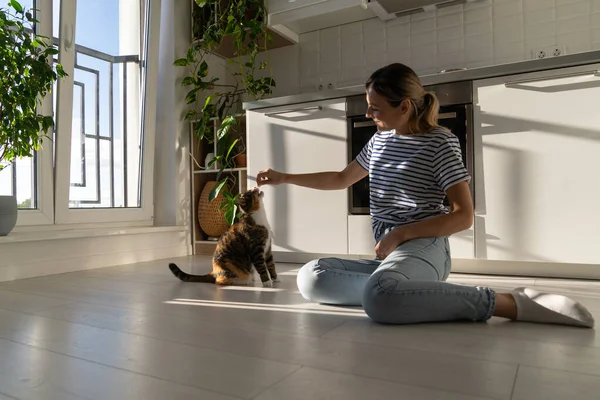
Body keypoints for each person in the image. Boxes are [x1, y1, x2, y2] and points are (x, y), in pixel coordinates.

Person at [256, 63, 594, 329]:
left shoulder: (439, 142)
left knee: (380, 298)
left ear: (403, 106)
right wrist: (284, 177)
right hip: (388, 254)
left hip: (426, 245)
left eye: (375, 108)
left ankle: (510, 303)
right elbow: (342, 178)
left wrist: (401, 233)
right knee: (310, 277)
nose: (369, 114)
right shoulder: (379, 141)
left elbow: (463, 215)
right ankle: (395, 287)